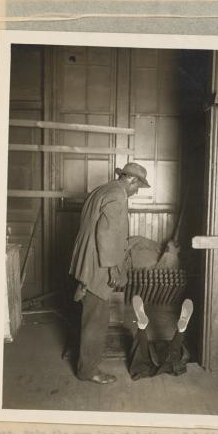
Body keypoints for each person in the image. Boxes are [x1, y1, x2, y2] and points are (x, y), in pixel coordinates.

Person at [69, 162, 150, 384]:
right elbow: (106, 234)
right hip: (99, 263)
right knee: (97, 319)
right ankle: (88, 371)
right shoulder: (117, 195)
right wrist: (113, 266)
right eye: (138, 187)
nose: (136, 192)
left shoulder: (101, 189)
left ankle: (84, 286)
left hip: (86, 259)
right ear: (131, 180)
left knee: (91, 313)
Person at [129, 295, 193, 380]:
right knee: (173, 354)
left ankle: (142, 326)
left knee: (143, 354)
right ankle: (181, 330)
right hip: (165, 352)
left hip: (151, 354)